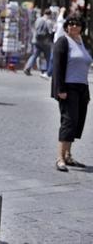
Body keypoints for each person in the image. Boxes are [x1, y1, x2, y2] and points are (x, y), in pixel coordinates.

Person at [51, 16, 91, 172]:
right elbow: (57, 67)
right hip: (68, 87)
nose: (74, 26)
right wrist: (60, 89)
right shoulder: (63, 41)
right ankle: (59, 157)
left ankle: (68, 155)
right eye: (71, 24)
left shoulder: (81, 43)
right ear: (66, 26)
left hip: (82, 88)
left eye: (78, 24)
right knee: (68, 121)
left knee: (77, 122)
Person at [24, 8, 54, 76]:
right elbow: (50, 31)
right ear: (50, 14)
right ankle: (49, 71)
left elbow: (35, 28)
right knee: (48, 56)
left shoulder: (38, 19)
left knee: (34, 55)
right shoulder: (48, 21)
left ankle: (27, 68)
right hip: (45, 42)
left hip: (36, 40)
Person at [43, 7, 66, 79]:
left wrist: (62, 11)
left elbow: (59, 20)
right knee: (53, 59)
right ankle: (50, 73)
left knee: (53, 59)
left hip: (58, 42)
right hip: (57, 42)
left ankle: (49, 73)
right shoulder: (60, 22)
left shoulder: (61, 22)